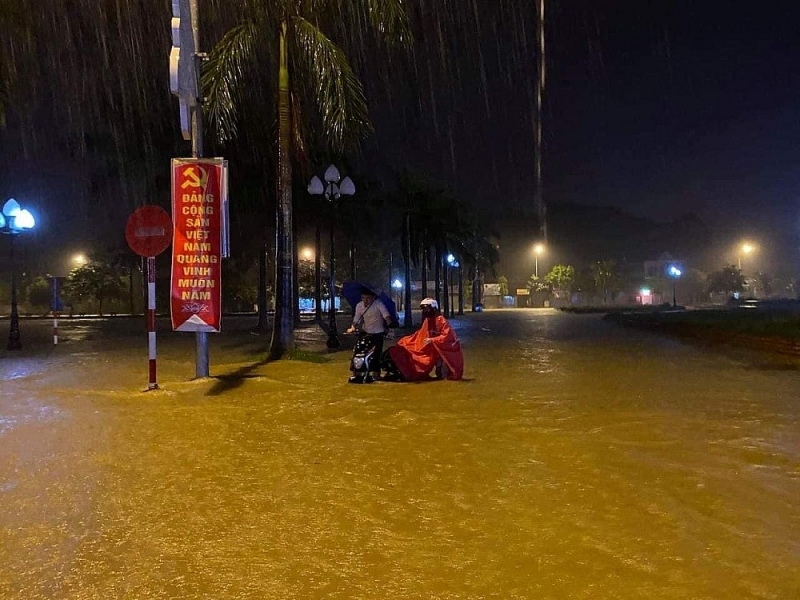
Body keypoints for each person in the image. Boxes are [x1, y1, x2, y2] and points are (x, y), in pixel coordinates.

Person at [385, 298, 464, 381]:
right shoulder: (428, 320)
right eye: (424, 309)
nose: (425, 311)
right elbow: (422, 334)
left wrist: (433, 340)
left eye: (427, 308)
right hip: (430, 348)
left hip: (440, 350)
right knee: (406, 345)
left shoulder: (441, 320)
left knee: (441, 374)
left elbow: (447, 336)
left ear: (433, 308)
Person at [345, 288, 393, 379]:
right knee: (357, 351)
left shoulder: (379, 304)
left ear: (373, 298)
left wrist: (389, 323)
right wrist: (352, 328)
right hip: (365, 332)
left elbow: (386, 316)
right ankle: (356, 372)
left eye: (368, 298)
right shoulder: (359, 306)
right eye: (363, 298)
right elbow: (356, 319)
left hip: (378, 333)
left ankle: (376, 374)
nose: (365, 301)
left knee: (376, 354)